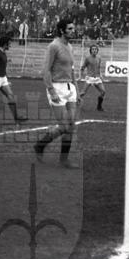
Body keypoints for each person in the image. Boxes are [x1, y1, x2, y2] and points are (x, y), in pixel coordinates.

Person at [34, 18, 80, 168]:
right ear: (62, 30)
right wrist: (51, 90)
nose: (73, 31)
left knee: (71, 125)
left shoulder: (70, 47)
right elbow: (46, 70)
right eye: (70, 29)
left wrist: (77, 90)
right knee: (64, 126)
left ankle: (64, 160)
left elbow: (72, 70)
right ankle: (40, 145)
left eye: (73, 28)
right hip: (56, 87)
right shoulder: (53, 46)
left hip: (70, 88)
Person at [0, 36, 27, 123]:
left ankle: (16, 117)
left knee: (10, 95)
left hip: (2, 79)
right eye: (9, 44)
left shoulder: (3, 53)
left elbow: (2, 67)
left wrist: (6, 80)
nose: (10, 45)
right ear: (5, 44)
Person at [79, 45, 106, 111]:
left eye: (95, 49)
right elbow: (83, 67)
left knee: (103, 92)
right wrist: (82, 74)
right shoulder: (87, 58)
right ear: (90, 51)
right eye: (93, 49)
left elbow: (98, 68)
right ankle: (74, 104)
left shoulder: (99, 58)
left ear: (97, 50)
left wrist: (101, 76)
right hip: (89, 78)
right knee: (82, 93)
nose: (94, 50)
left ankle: (99, 107)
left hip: (97, 78)